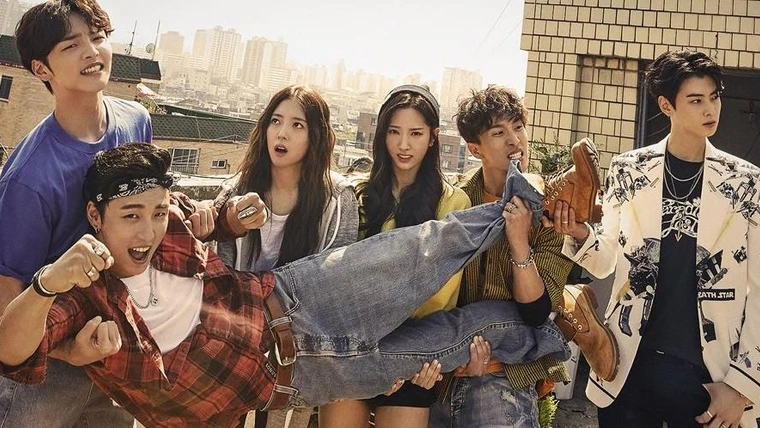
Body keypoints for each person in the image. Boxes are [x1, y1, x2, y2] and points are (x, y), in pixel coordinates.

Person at [0, 143, 570, 428]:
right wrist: (47, 284)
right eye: (130, 217)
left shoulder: (169, 217)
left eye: (155, 212)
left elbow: (207, 217)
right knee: (455, 338)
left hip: (295, 296)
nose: (148, 230)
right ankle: (554, 335)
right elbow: (10, 351)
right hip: (299, 377)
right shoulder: (83, 298)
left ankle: (532, 200)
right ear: (95, 217)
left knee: (420, 249)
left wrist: (230, 216)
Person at [549, 50, 759, 428]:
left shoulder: (745, 182)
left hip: (708, 374)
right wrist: (578, 233)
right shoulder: (629, 169)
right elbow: (606, 260)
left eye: (714, 97)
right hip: (627, 365)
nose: (710, 109)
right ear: (667, 105)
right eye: (696, 100)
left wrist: (742, 386)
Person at [0, 0, 153, 426]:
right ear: (41, 69)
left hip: (117, 350)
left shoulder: (136, 122)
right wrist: (69, 350)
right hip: (43, 372)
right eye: (71, 45)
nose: (92, 51)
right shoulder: (30, 177)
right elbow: (7, 300)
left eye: (98, 37)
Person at [429, 85, 602, 428]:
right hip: (441, 377)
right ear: (475, 148)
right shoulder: (453, 202)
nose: (514, 141)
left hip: (505, 380)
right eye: (498, 133)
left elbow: (537, 312)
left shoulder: (551, 209)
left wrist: (519, 241)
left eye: (518, 127)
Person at [319, 85, 470, 428]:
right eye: (394, 132)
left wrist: (401, 360)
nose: (404, 145)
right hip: (353, 351)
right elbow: (339, 279)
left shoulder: (452, 203)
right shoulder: (358, 195)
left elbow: (439, 295)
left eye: (415, 134)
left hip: (412, 356)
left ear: (432, 138)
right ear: (382, 135)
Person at [215, 85, 359, 428]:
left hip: (301, 345)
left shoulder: (337, 199)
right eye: (276, 121)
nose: (282, 133)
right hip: (238, 339)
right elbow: (219, 274)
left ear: (315, 136)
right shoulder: (236, 192)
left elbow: (334, 282)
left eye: (297, 125)